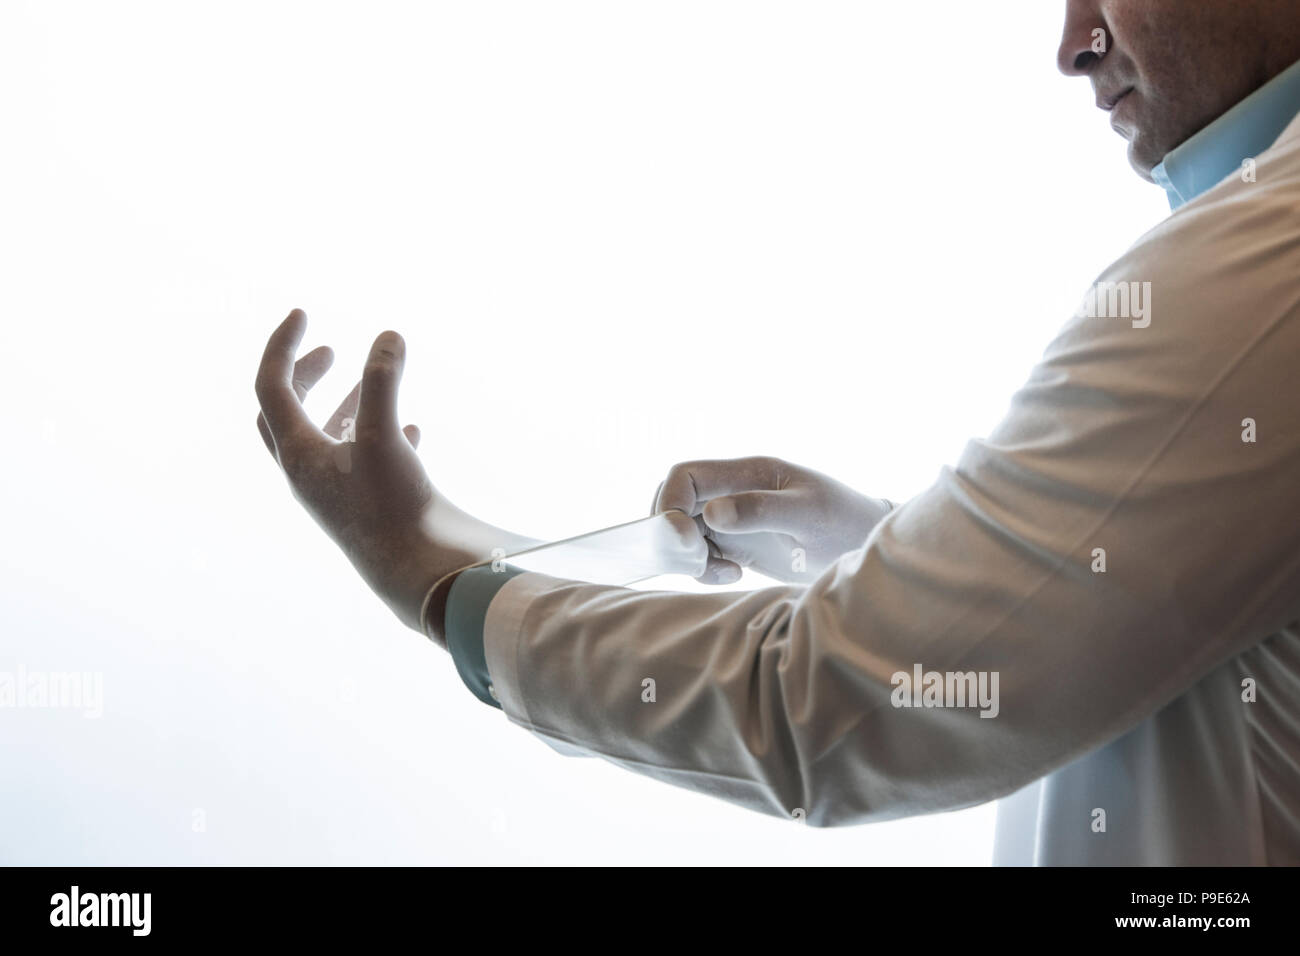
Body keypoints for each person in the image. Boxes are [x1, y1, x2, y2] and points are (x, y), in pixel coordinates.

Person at [255, 0, 1300, 865]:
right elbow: (1136, 622)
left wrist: (436, 575)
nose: (1071, 43)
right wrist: (886, 549)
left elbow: (829, 704)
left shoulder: (1270, 258)